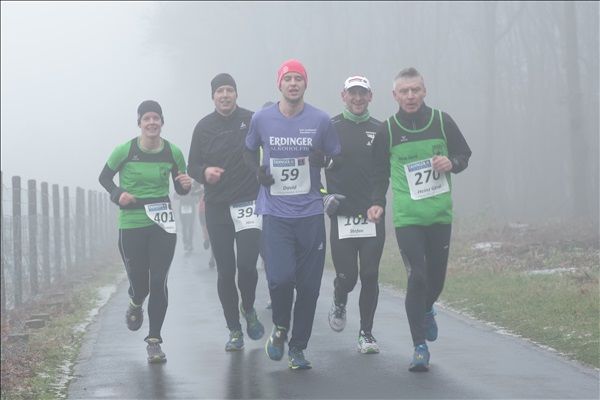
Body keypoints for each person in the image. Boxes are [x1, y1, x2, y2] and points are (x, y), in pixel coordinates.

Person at [368, 67, 472, 372]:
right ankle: (419, 347)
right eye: (404, 91)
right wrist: (377, 203)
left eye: (415, 90)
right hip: (407, 218)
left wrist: (451, 163)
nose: (410, 96)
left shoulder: (442, 121)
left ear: (424, 91)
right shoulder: (387, 130)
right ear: (395, 95)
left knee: (436, 281)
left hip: (439, 215)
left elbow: (464, 155)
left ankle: (427, 309)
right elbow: (378, 174)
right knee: (418, 277)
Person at [244, 59, 341, 370]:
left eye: (299, 78)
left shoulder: (321, 120)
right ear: (280, 84)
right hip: (276, 213)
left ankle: (298, 348)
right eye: (288, 79)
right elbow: (248, 149)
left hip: (310, 213)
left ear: (305, 84)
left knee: (309, 288)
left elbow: (336, 159)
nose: (294, 83)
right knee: (280, 279)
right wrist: (256, 172)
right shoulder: (261, 119)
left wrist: (323, 160)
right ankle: (280, 326)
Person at [98, 100, 192, 363]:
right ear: (139, 123)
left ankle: (154, 341)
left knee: (159, 280)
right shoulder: (125, 150)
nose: (152, 123)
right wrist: (118, 194)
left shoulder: (173, 152)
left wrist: (185, 185)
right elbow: (104, 178)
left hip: (162, 223)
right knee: (140, 284)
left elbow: (180, 187)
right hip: (132, 222)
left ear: (162, 122)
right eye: (147, 118)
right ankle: (135, 301)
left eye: (156, 118)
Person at [188, 73, 264, 352]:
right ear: (213, 97)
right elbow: (192, 166)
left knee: (247, 266)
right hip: (217, 206)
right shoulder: (203, 127)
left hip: (248, 203)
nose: (224, 95)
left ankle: (249, 307)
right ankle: (234, 329)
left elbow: (270, 147)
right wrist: (204, 172)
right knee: (226, 270)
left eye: (229, 90)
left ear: (236, 94)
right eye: (219, 91)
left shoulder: (252, 120)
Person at [324, 76, 385, 355]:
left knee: (370, 274)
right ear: (343, 96)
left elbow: (384, 172)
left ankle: (366, 333)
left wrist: (378, 202)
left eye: (362, 93)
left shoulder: (380, 129)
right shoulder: (330, 127)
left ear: (370, 96)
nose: (358, 98)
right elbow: (313, 165)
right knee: (348, 277)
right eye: (353, 93)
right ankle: (340, 297)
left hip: (372, 215)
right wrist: (324, 195)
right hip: (342, 216)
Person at [175, 180, 202, 253]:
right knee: (189, 226)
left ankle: (187, 243)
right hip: (187, 207)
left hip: (185, 207)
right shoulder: (191, 188)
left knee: (186, 226)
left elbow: (175, 196)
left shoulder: (182, 187)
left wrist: (180, 196)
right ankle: (188, 243)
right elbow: (196, 201)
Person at [197, 186, 216, 268]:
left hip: (205, 211)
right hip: (207, 211)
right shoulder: (201, 189)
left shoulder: (202, 189)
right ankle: (212, 257)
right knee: (213, 234)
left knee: (206, 229)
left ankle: (206, 238)